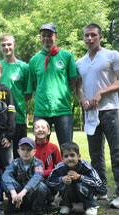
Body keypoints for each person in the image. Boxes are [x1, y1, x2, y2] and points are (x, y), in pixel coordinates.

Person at [76, 23, 119, 207]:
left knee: (116, 152)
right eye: (87, 35)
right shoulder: (79, 62)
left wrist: (101, 92)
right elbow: (77, 87)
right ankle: (101, 191)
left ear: (100, 37)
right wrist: (83, 99)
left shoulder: (112, 55)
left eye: (93, 35)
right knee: (95, 155)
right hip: (91, 114)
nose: (90, 38)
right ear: (83, 38)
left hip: (110, 110)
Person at [29, 24, 77, 146]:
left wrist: (62, 93)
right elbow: (35, 84)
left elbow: (73, 80)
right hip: (41, 111)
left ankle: (65, 166)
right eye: (43, 35)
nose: (46, 38)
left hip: (63, 110)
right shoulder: (34, 60)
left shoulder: (67, 56)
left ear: (56, 37)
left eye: (50, 35)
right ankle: (44, 166)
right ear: (40, 38)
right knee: (40, 147)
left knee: (67, 147)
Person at [0, 33, 33, 158]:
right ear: (0, 47)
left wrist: (16, 102)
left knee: (21, 153)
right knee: (3, 155)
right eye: (3, 45)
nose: (6, 47)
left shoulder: (24, 67)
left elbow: (29, 93)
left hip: (19, 118)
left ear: (15, 46)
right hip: (1, 119)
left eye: (9, 44)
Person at [47, 142, 102, 215]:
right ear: (62, 158)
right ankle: (66, 204)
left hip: (85, 192)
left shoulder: (85, 166)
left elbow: (98, 182)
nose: (69, 158)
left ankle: (90, 206)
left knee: (80, 185)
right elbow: (49, 181)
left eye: (72, 155)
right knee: (64, 184)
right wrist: (61, 179)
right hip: (69, 193)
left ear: (79, 156)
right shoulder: (60, 167)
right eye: (66, 156)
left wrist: (80, 177)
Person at [2, 137, 48, 215]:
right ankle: (15, 205)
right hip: (17, 195)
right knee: (6, 182)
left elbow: (37, 177)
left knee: (42, 187)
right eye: (23, 149)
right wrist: (13, 192)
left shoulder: (38, 163)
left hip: (31, 195)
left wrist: (23, 192)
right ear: (18, 151)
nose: (25, 152)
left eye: (29, 149)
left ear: (34, 152)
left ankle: (37, 208)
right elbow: (6, 175)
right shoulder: (15, 162)